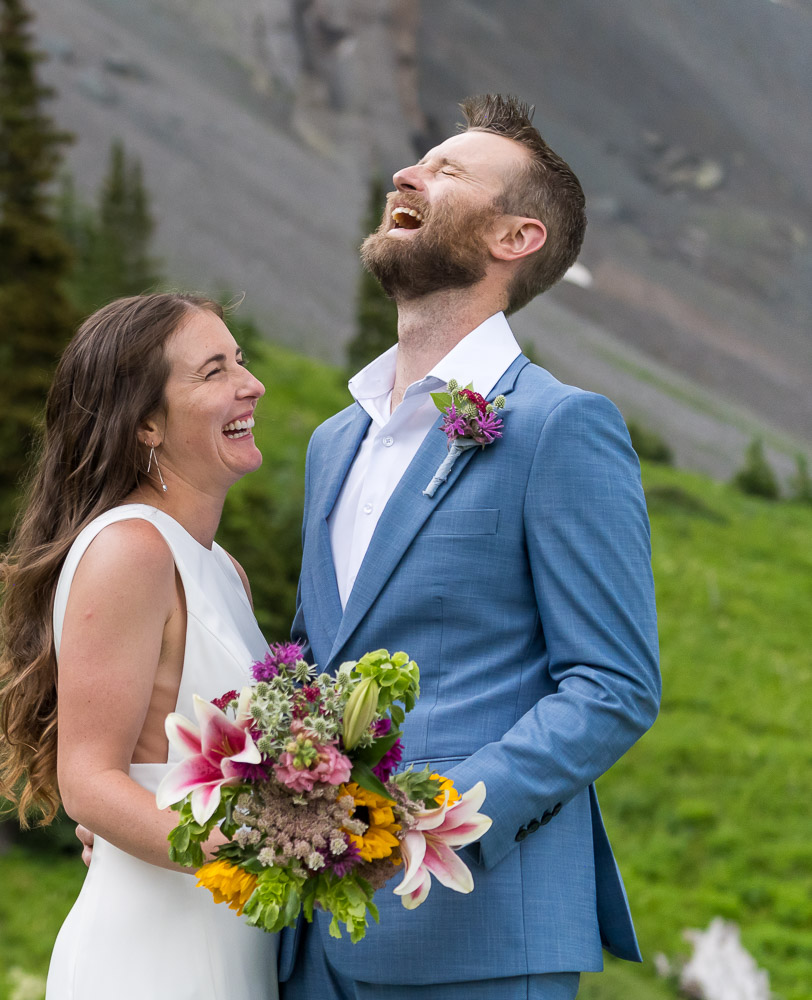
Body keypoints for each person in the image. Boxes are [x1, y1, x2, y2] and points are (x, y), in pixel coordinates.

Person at [279, 94, 661, 999]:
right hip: (310, 941)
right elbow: (306, 663)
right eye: (415, 164)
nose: (406, 177)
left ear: (515, 238)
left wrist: (430, 819)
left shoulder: (562, 428)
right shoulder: (335, 440)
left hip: (477, 941)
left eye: (448, 171)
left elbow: (614, 687)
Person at [0, 292, 278, 998]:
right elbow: (91, 782)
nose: (251, 383)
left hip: (234, 933)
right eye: (213, 371)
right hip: (157, 950)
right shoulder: (131, 549)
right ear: (145, 423)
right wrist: (271, 856)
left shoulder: (221, 568)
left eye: (240, 360)